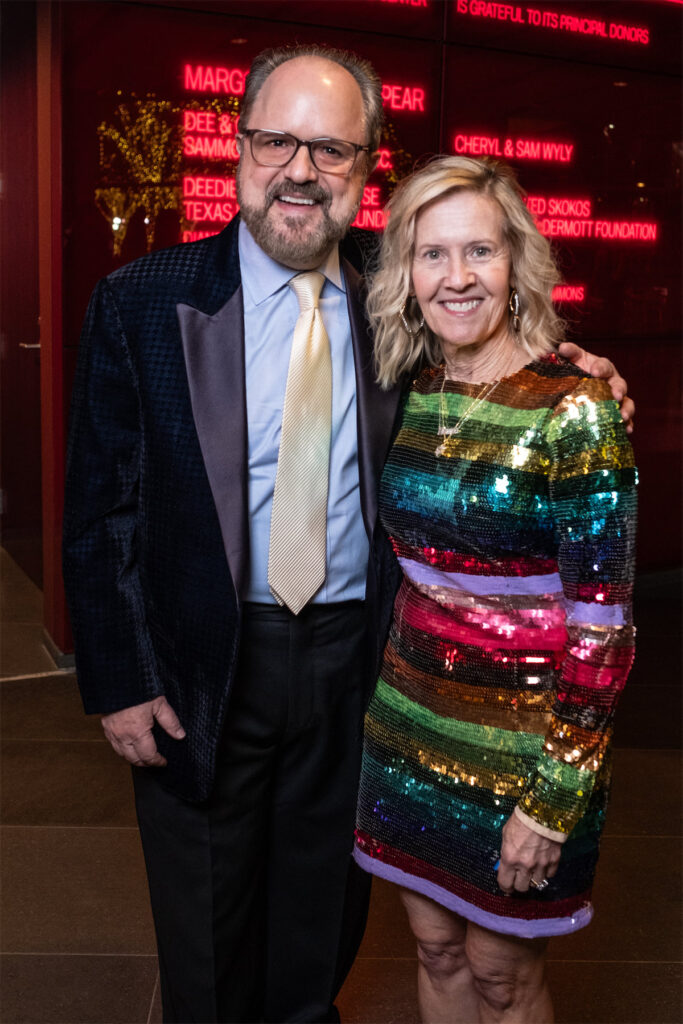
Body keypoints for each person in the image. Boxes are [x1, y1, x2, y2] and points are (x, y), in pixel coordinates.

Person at [63, 43, 632, 1024]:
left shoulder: (398, 288)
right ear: (237, 146)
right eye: (275, 138)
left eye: (328, 147)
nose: (298, 167)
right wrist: (119, 676)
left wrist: (581, 374)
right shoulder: (143, 300)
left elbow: (494, 351)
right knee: (204, 923)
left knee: (323, 913)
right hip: (201, 658)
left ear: (366, 164)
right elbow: (99, 509)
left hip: (364, 663)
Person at [353, 155, 637, 1023]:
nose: (456, 277)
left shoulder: (575, 407)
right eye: (431, 255)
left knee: (500, 974)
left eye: (478, 250)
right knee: (434, 948)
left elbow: (603, 630)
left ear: (516, 262)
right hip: (407, 728)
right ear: (405, 272)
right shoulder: (414, 387)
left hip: (526, 753)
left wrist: (552, 803)